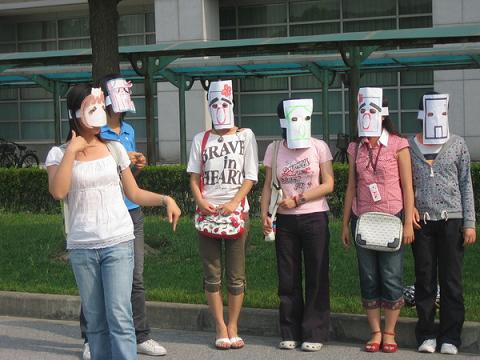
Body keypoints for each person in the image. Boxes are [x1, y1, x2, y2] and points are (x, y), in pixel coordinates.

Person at [45, 83, 181, 360]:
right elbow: (58, 192)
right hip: (83, 246)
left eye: (100, 107)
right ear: (74, 113)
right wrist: (72, 150)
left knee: (120, 316)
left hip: (118, 242)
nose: (99, 114)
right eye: (91, 108)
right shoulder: (58, 154)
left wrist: (166, 199)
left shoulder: (115, 149)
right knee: (95, 322)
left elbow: (133, 192)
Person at [78, 75, 166, 359]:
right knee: (94, 288)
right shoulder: (94, 131)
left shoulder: (127, 130)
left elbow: (130, 183)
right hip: (97, 221)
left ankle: (141, 336)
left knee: (135, 279)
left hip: (129, 211)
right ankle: (91, 338)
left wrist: (136, 163)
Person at [341, 87, 415, 353]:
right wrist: (344, 222)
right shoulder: (355, 147)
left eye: (372, 110)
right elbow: (351, 186)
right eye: (362, 110)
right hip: (363, 218)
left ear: (383, 113)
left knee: (391, 276)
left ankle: (390, 332)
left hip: (392, 217)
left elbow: (408, 186)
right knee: (369, 277)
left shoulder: (398, 144)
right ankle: (374, 331)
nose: (366, 115)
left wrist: (408, 222)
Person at [187, 80, 258, 350]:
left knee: (236, 275)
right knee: (212, 273)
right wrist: (201, 200)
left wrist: (234, 203)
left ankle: (233, 325)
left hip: (237, 214)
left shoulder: (245, 136)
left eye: (224, 103)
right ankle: (219, 326)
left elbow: (250, 175)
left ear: (232, 105)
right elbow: (194, 178)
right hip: (208, 214)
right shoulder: (200, 139)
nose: (219, 108)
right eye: (214, 103)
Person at [260, 99, 334, 352]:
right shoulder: (274, 148)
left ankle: (314, 331)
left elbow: (328, 184)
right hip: (286, 220)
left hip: (315, 216)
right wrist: (265, 215)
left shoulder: (319, 147)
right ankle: (289, 330)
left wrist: (299, 199)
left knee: (317, 274)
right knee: (288, 276)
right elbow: (268, 185)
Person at [410, 92, 476, 355]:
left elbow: (465, 184)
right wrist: (409, 209)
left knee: (451, 280)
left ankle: (451, 336)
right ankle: (426, 334)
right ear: (421, 114)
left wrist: (469, 222)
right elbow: (406, 184)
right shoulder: (410, 145)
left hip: (452, 221)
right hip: (422, 223)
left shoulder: (458, 144)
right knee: (424, 279)